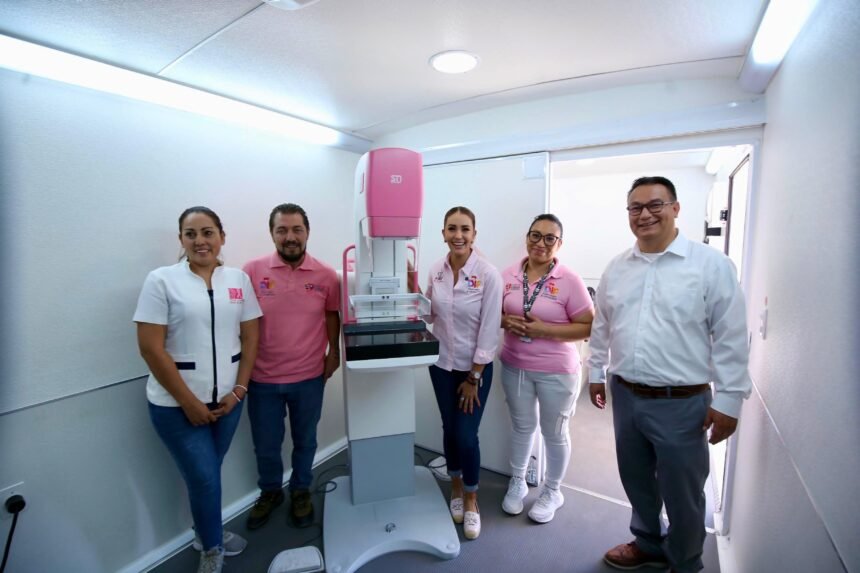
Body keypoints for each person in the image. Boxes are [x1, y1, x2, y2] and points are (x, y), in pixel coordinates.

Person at [588, 176, 751, 573]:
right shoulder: (617, 268)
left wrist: (729, 399)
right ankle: (648, 543)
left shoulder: (710, 266)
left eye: (655, 205)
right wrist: (595, 371)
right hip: (626, 395)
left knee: (683, 492)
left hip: (682, 402)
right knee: (636, 479)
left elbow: (731, 336)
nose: (644, 214)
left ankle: (685, 560)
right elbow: (602, 325)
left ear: (675, 208)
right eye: (635, 207)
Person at [134, 206, 261, 573]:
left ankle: (202, 533)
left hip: (228, 403)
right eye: (191, 234)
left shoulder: (237, 279)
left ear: (222, 237)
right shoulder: (161, 281)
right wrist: (188, 403)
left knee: (207, 475)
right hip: (176, 407)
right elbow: (150, 348)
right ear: (181, 240)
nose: (200, 241)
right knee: (204, 477)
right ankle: (212, 547)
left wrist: (239, 390)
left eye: (208, 232)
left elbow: (250, 337)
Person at [242, 203, 340, 530]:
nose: (290, 237)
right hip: (262, 379)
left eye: (297, 229)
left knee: (305, 440)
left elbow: (331, 315)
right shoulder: (251, 271)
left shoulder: (326, 275)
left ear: (307, 232)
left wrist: (334, 352)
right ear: (272, 234)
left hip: (309, 377)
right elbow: (241, 321)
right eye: (282, 230)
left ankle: (300, 490)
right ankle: (270, 492)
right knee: (266, 445)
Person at [499, 214, 594, 523]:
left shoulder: (569, 280)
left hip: (557, 371)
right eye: (535, 235)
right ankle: (517, 481)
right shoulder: (508, 275)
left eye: (549, 238)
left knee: (554, 432)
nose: (540, 243)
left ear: (559, 244)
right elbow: (493, 313)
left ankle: (553, 490)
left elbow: (588, 327)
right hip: (515, 366)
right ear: (527, 237)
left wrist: (545, 331)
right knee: (522, 427)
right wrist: (505, 321)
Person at [425, 206, 503, 540]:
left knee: (467, 435)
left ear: (474, 234)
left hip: (474, 371)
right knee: (449, 428)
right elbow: (429, 315)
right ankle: (455, 485)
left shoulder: (488, 274)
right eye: (452, 229)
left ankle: (471, 497)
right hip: (442, 365)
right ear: (443, 233)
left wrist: (474, 377)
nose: (458, 235)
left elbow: (489, 328)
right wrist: (409, 296)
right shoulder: (436, 271)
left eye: (465, 229)